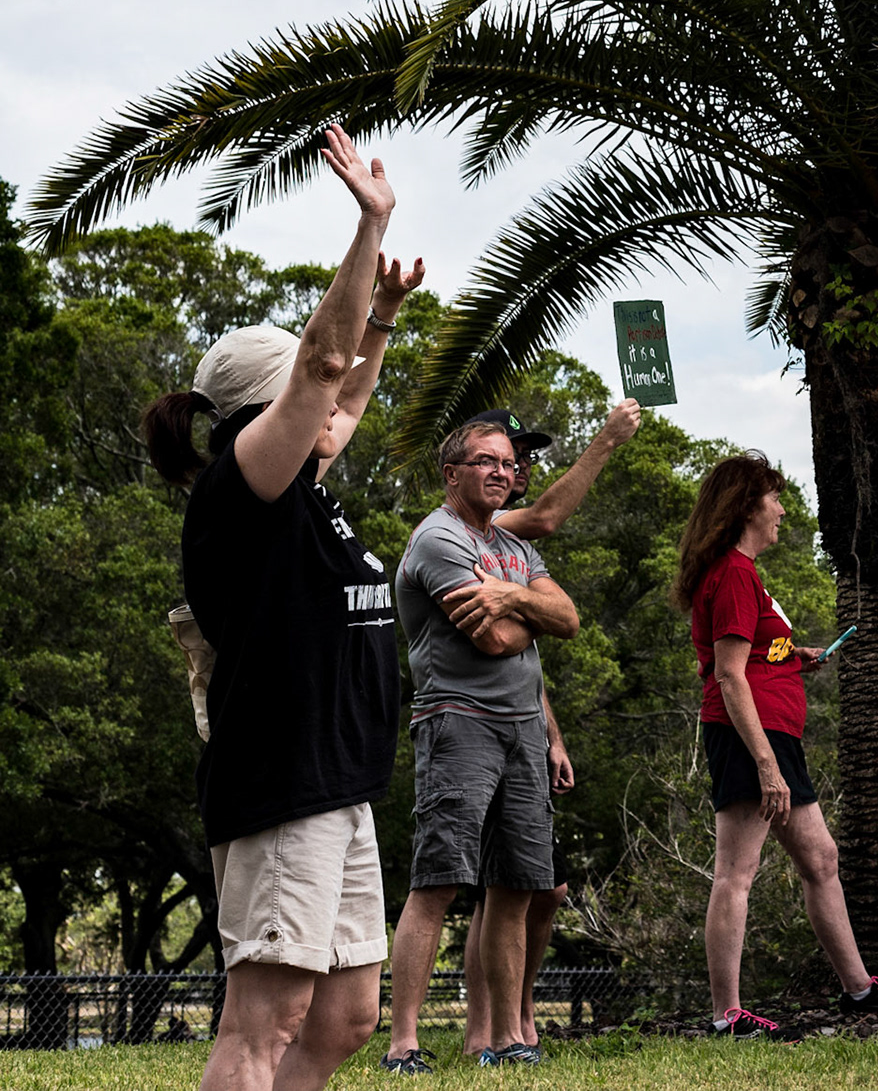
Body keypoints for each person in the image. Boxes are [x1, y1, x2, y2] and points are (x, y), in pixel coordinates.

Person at [142, 125, 423, 1091]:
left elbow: (337, 394)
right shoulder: (245, 483)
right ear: (260, 413)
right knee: (263, 1022)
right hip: (278, 780)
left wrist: (381, 318)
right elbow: (318, 369)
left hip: (337, 782)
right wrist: (369, 224)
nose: (338, 402)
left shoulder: (298, 482)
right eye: (319, 388)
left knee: (343, 1017)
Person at [673, 452, 878, 1040]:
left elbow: (752, 654)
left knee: (820, 860)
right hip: (752, 738)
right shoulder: (735, 573)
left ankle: (860, 991)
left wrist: (797, 653)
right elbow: (728, 675)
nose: (783, 510)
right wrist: (765, 765)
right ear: (747, 507)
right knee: (736, 873)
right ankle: (726, 1015)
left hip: (772, 734)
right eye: (775, 498)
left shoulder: (741, 573)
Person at [384, 420, 582, 1071]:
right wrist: (531, 609)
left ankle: (504, 1039)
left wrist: (511, 598)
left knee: (516, 887)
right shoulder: (438, 538)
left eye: (506, 463)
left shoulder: (510, 545)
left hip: (524, 729)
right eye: (486, 461)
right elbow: (495, 640)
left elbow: (571, 619)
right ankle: (404, 1043)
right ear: (452, 470)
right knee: (439, 879)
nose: (502, 471)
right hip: (457, 721)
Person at [457, 399, 643, 1061]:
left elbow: (533, 646)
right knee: (498, 888)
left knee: (541, 885)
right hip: (475, 732)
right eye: (507, 454)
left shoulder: (513, 545)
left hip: (523, 728)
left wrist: (553, 734)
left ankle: (516, 1012)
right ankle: (490, 1028)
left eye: (524, 456)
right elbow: (551, 516)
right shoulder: (483, 524)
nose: (521, 466)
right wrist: (607, 441)